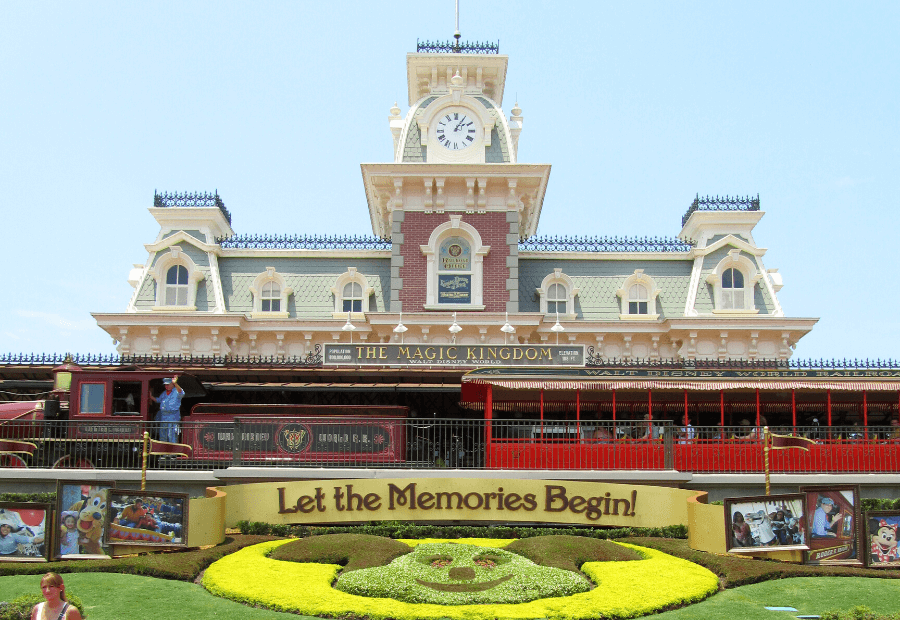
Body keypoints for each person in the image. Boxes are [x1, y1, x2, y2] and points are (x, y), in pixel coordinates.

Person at [150, 376, 184, 443]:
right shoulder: (164, 393)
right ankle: (164, 453)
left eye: (168, 384)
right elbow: (158, 400)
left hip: (173, 416)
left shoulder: (176, 391)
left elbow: (181, 392)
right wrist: (150, 396)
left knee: (172, 435)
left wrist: (176, 383)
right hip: (163, 417)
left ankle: (173, 453)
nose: (166, 386)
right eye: (165, 385)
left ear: (172, 384)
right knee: (163, 435)